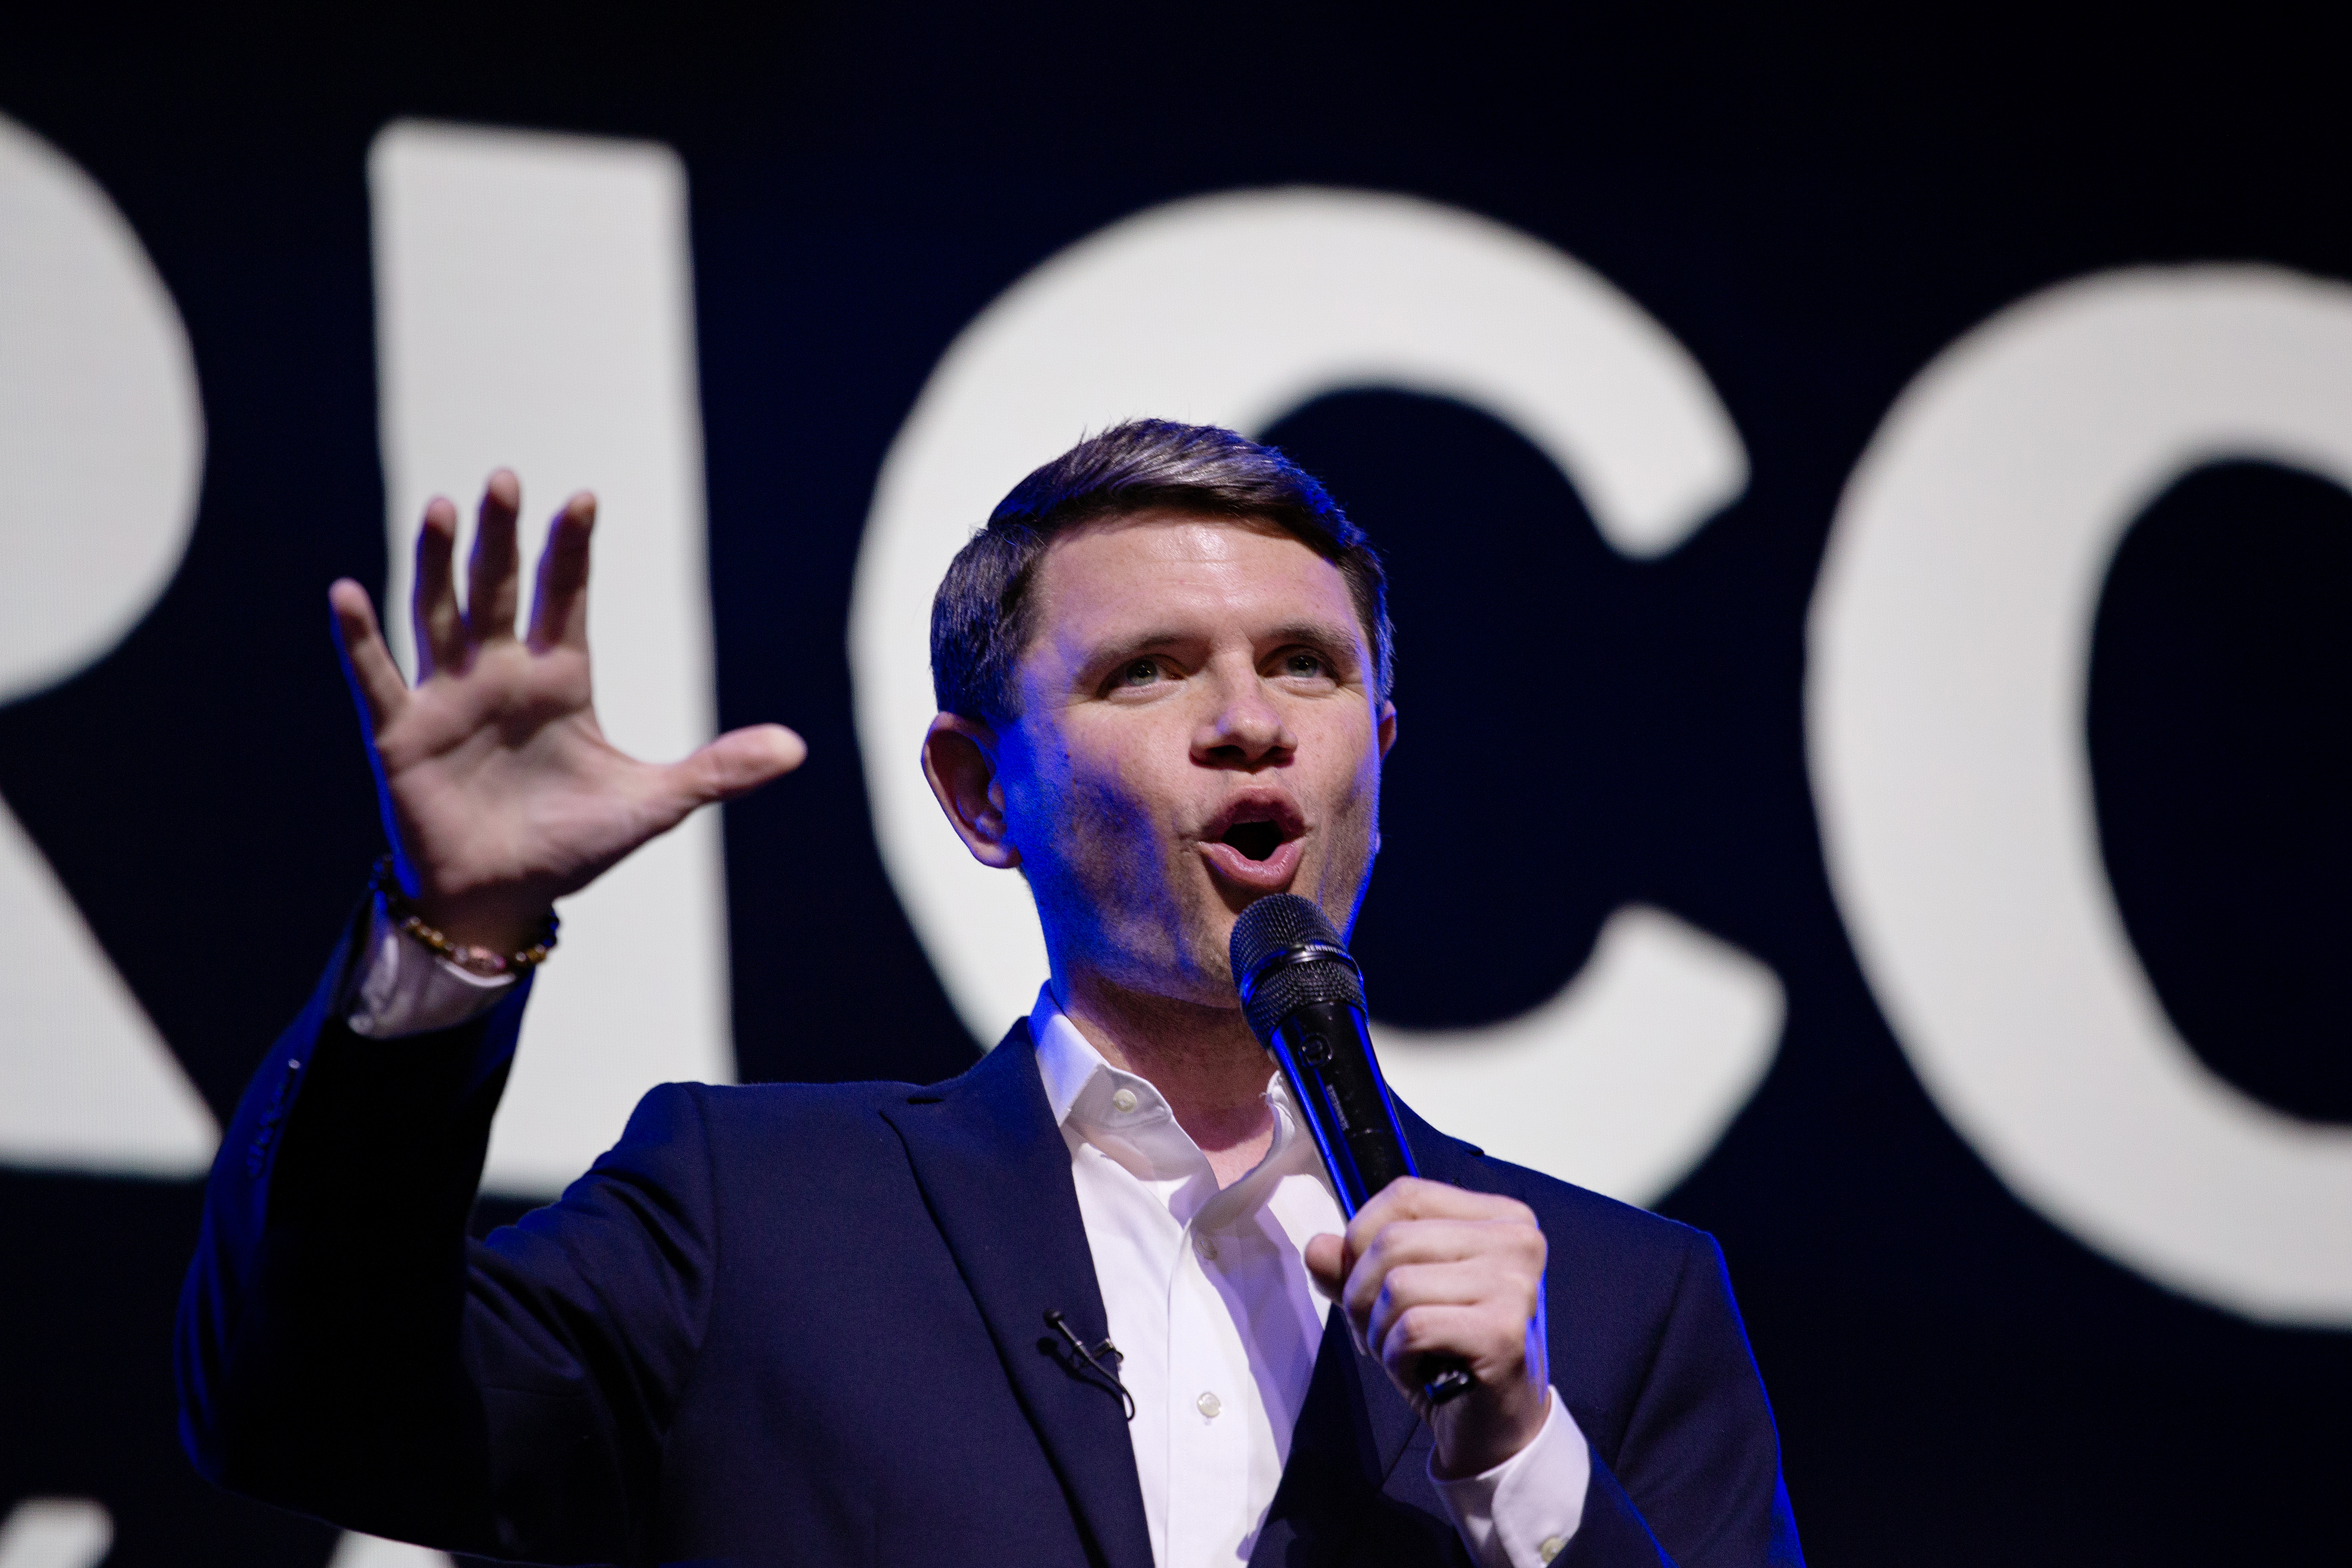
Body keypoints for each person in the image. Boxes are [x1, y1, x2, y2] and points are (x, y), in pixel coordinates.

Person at [177, 421, 1801, 1567]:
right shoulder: (755, 1219)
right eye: (1146, 668)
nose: (1250, 720)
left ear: (1377, 753)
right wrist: (446, 938)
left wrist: (1519, 1458)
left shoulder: (1617, 1304)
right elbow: (306, 1412)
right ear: (976, 793)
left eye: (1307, 665)